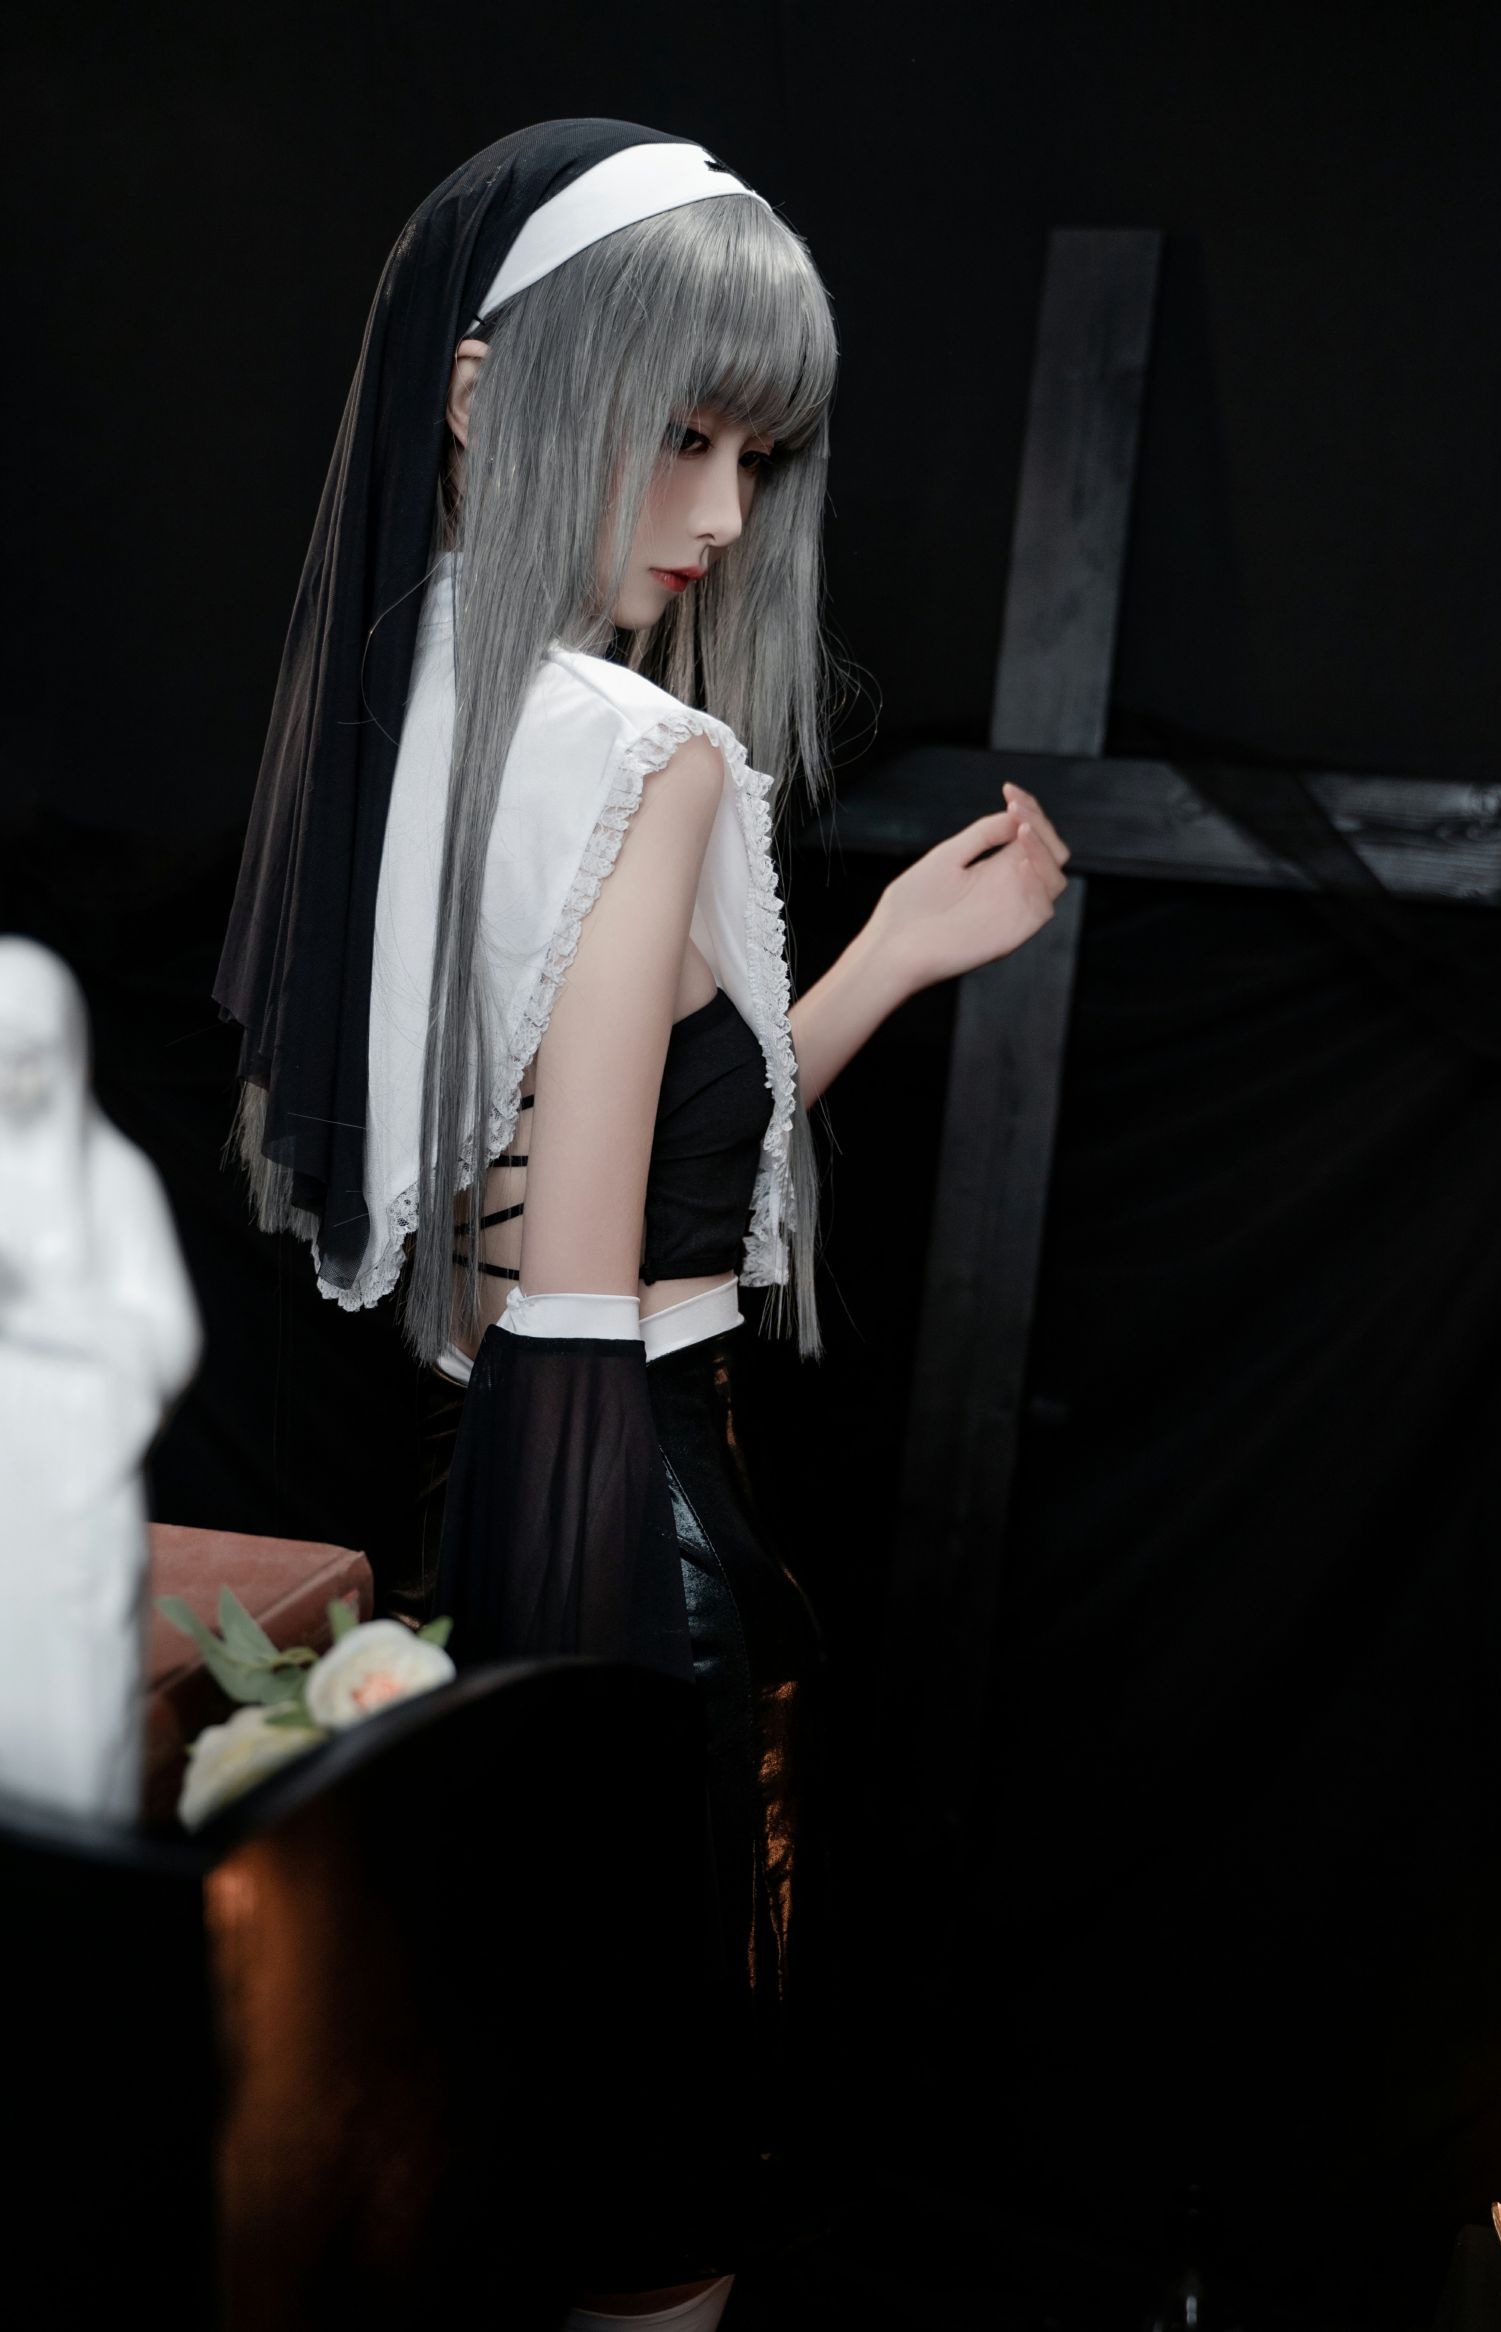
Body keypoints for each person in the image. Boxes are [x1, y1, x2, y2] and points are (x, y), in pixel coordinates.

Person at [217, 120, 1069, 2329]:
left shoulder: (427, 711)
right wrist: (595, 1671)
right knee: (651, 2207)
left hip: (508, 1500)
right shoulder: (640, 750)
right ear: (485, 396)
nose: (723, 513)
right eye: (681, 436)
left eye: (755, 454)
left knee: (524, 2155)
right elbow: (592, 1289)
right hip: (628, 1524)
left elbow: (599, 1186)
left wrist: (881, 956)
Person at [0, 938, 201, 1820]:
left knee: (72, 1698)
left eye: (29, 1055)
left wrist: (48, 1317)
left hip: (72, 1487)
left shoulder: (110, 1182)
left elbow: (166, 1336)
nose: (11, 1078)